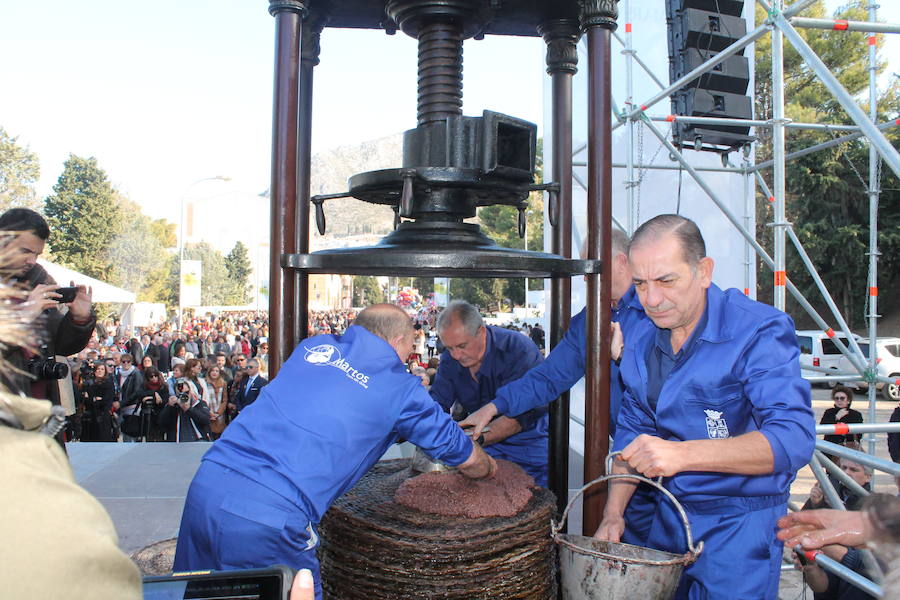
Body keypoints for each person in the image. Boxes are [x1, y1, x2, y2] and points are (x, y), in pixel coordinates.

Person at [173, 304, 497, 600]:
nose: (409, 357)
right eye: (411, 347)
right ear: (398, 341)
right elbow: (458, 451)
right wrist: (490, 469)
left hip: (207, 486)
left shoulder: (315, 348)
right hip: (271, 516)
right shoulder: (401, 390)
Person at [573, 214, 813, 598]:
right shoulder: (640, 338)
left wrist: (680, 455)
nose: (651, 300)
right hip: (670, 514)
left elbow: (793, 439)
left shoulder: (757, 331)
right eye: (640, 283)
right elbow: (634, 433)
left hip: (741, 523)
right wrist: (614, 514)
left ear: (703, 271)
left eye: (666, 281)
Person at [460, 228, 655, 542]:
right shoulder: (591, 321)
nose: (586, 279)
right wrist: (494, 407)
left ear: (620, 262)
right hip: (628, 461)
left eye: (592, 271)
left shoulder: (657, 312)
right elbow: (548, 377)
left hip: (678, 461)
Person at [429, 300, 547, 485]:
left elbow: (519, 418)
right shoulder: (449, 359)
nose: (455, 355)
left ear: (481, 332)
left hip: (529, 445)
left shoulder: (518, 349)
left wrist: (468, 443)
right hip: (481, 444)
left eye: (461, 346)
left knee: (534, 501)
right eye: (449, 348)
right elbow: (437, 404)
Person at [0, 208, 95, 417]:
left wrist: (79, 320)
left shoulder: (37, 279)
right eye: (25, 251)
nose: (32, 261)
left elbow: (62, 345)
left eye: (37, 254)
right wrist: (23, 316)